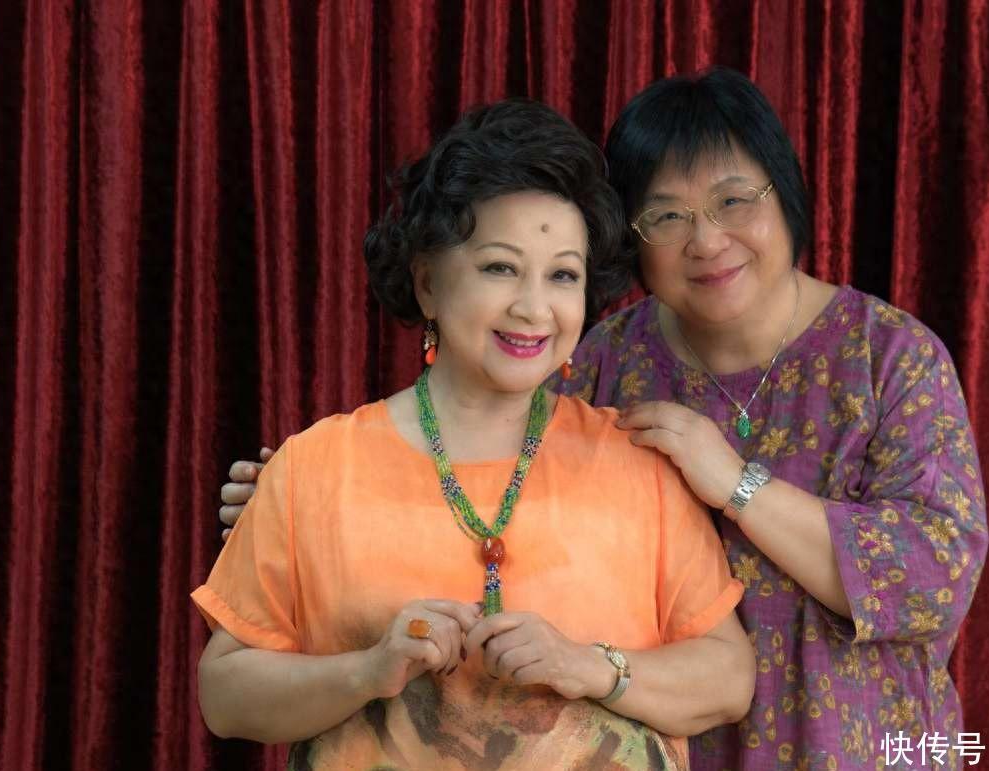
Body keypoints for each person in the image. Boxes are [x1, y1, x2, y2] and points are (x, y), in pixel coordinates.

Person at [221, 69, 989, 770]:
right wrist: (310, 503)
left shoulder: (887, 356)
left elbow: (934, 581)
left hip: (853, 747)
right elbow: (489, 447)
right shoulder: (607, 358)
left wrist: (736, 484)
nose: (706, 239)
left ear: (784, 195)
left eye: (733, 200)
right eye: (667, 214)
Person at [195, 98, 755, 771]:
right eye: (500, 267)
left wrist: (589, 665)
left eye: (562, 275)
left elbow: (729, 678)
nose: (533, 307)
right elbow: (224, 694)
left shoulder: (642, 466)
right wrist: (368, 670)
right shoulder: (312, 466)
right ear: (428, 283)